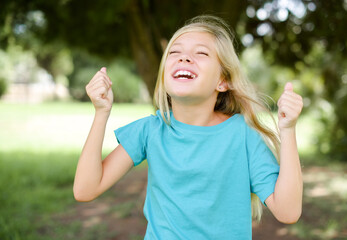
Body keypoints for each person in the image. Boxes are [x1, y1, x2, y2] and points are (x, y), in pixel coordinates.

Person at [73, 15, 303, 239]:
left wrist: (288, 129)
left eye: (201, 53)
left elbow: (288, 211)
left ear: (223, 81)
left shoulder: (243, 135)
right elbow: (85, 190)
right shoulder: (150, 130)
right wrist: (102, 112)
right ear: (164, 75)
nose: (184, 58)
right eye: (174, 52)